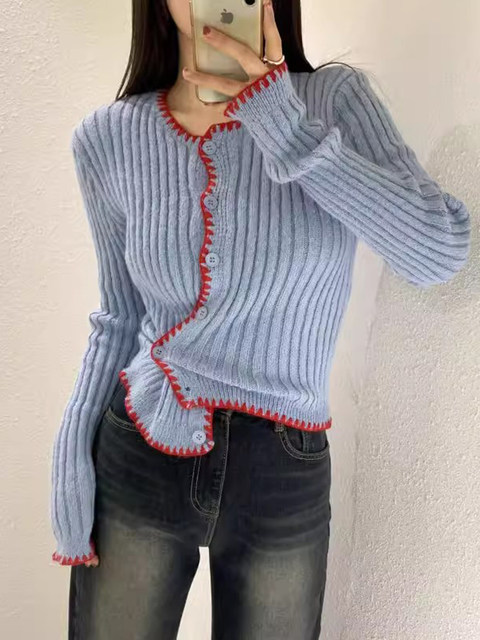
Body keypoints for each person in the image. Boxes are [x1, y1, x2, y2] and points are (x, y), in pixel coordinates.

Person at [50, 0, 471, 638]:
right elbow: (118, 316)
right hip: (141, 447)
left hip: (283, 469)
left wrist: (282, 124)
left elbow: (436, 254)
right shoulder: (108, 137)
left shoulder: (333, 101)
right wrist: (70, 459)